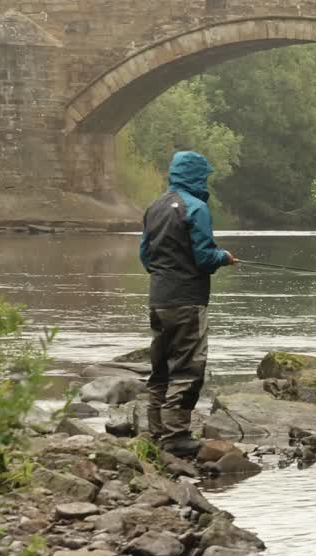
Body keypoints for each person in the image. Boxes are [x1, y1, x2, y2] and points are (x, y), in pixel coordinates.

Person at [138, 150, 236, 457]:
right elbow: (205, 258)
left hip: (159, 299)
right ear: (194, 175)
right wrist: (224, 257)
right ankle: (176, 435)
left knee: (160, 369)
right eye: (203, 176)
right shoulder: (196, 208)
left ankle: (155, 431)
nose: (205, 182)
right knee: (188, 368)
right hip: (187, 300)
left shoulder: (154, 207)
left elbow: (145, 255)